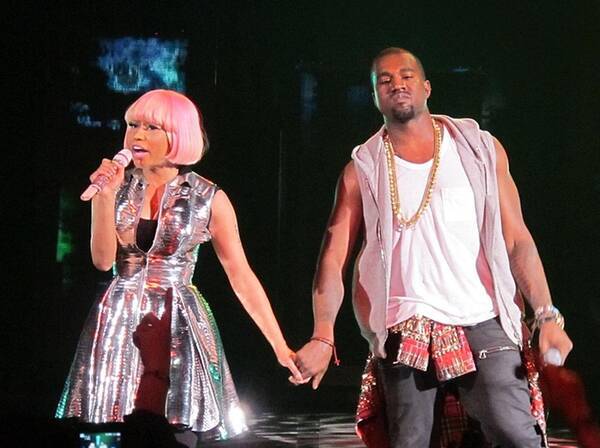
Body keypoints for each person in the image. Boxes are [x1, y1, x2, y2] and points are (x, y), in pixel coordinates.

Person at [291, 47, 573, 447]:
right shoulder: (362, 170)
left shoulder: (480, 150)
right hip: (405, 323)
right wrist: (323, 335)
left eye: (406, 75)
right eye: (384, 80)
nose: (396, 84)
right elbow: (333, 259)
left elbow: (517, 239)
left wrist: (546, 315)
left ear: (426, 87)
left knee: (515, 433)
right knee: (410, 441)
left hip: (483, 315)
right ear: (374, 97)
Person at [56, 89, 302, 443]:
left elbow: (240, 274)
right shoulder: (117, 187)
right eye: (132, 125)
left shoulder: (207, 197)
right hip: (119, 318)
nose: (137, 136)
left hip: (177, 320)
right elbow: (102, 260)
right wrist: (105, 197)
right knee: (111, 427)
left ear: (178, 136)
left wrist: (279, 345)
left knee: (175, 425)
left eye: (151, 128)